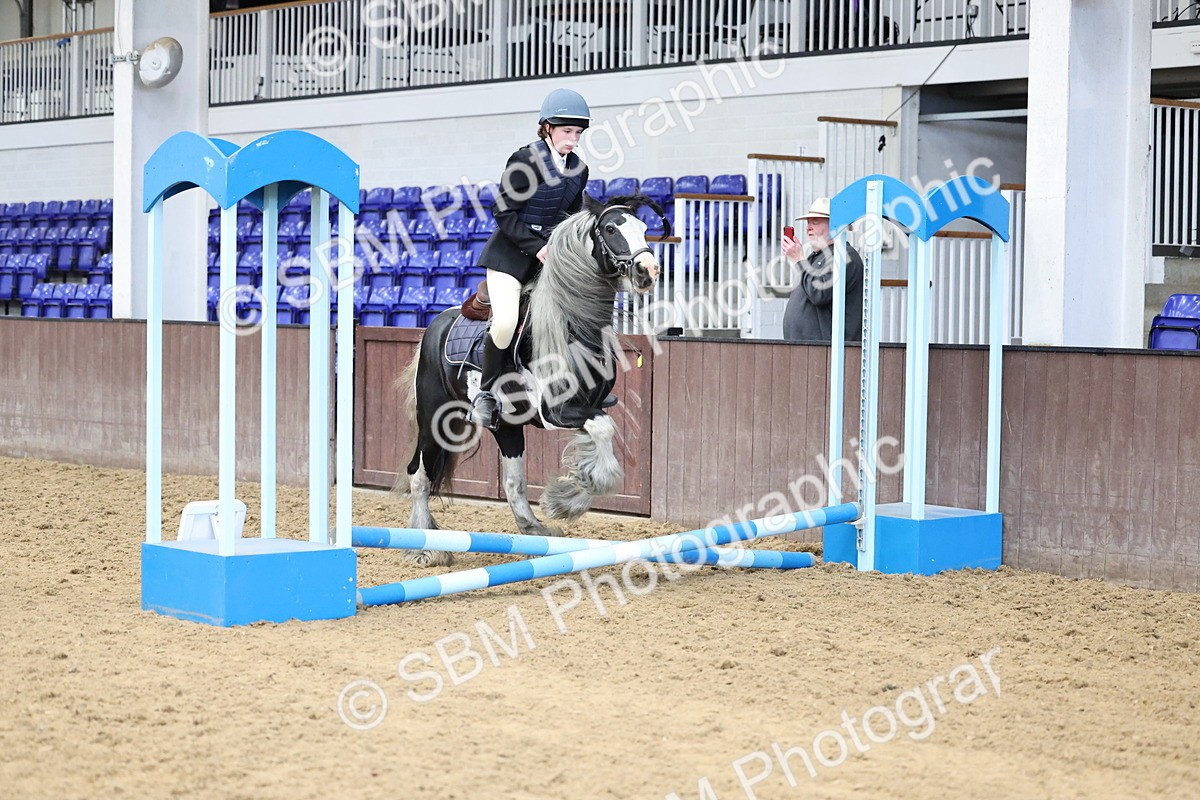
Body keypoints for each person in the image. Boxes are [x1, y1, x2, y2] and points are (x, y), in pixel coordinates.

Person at [472, 88, 591, 430]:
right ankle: (486, 393)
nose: (573, 139)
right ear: (547, 128)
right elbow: (503, 212)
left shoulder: (579, 169)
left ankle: (583, 389)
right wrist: (537, 246)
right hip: (509, 259)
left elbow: (569, 218)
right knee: (506, 321)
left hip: (547, 264)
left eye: (578, 133)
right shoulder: (525, 160)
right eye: (567, 131)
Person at [780, 197, 864, 343]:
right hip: (810, 349)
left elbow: (819, 293)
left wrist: (799, 259)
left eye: (815, 222)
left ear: (833, 225)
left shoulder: (845, 256)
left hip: (827, 350)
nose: (808, 228)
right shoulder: (819, 256)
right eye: (808, 222)